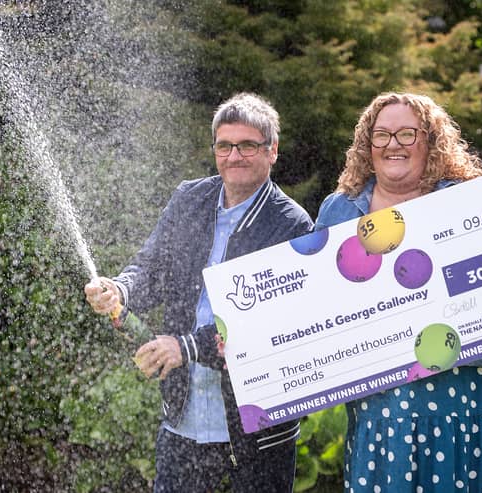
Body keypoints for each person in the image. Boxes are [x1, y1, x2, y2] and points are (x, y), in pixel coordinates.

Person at [314, 92, 482, 492]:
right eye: (381, 135)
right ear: (367, 144)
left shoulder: (471, 198)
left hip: (460, 396)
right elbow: (313, 299)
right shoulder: (339, 210)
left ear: (430, 141)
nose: (393, 144)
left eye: (407, 134)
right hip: (381, 405)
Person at [84, 92, 313, 493]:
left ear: (272, 150)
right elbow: (150, 268)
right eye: (224, 145)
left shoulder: (291, 223)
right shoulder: (189, 199)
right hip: (184, 415)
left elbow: (273, 324)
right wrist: (119, 288)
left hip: (258, 427)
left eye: (247, 145)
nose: (234, 156)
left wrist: (186, 347)